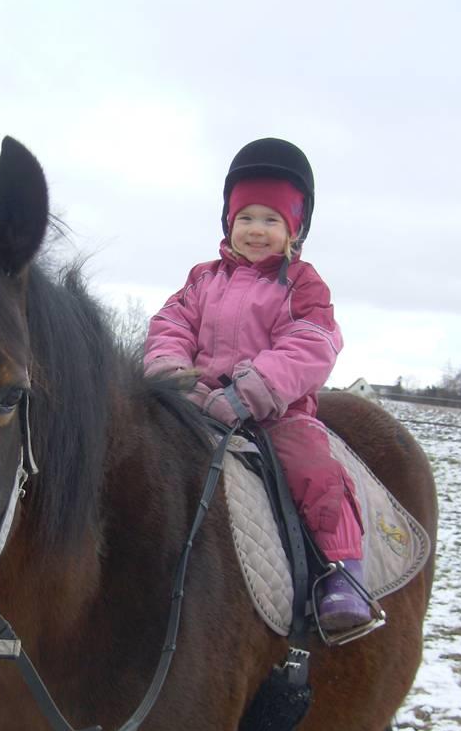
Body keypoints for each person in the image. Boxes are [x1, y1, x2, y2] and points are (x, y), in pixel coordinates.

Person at [143, 137, 370, 630]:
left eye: (271, 220)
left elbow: (311, 344)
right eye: (246, 218)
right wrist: (174, 379)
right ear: (228, 222)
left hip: (276, 411)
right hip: (194, 403)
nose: (256, 231)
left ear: (294, 229)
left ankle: (342, 571)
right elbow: (170, 326)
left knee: (314, 470)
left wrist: (246, 394)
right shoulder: (202, 279)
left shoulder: (304, 285)